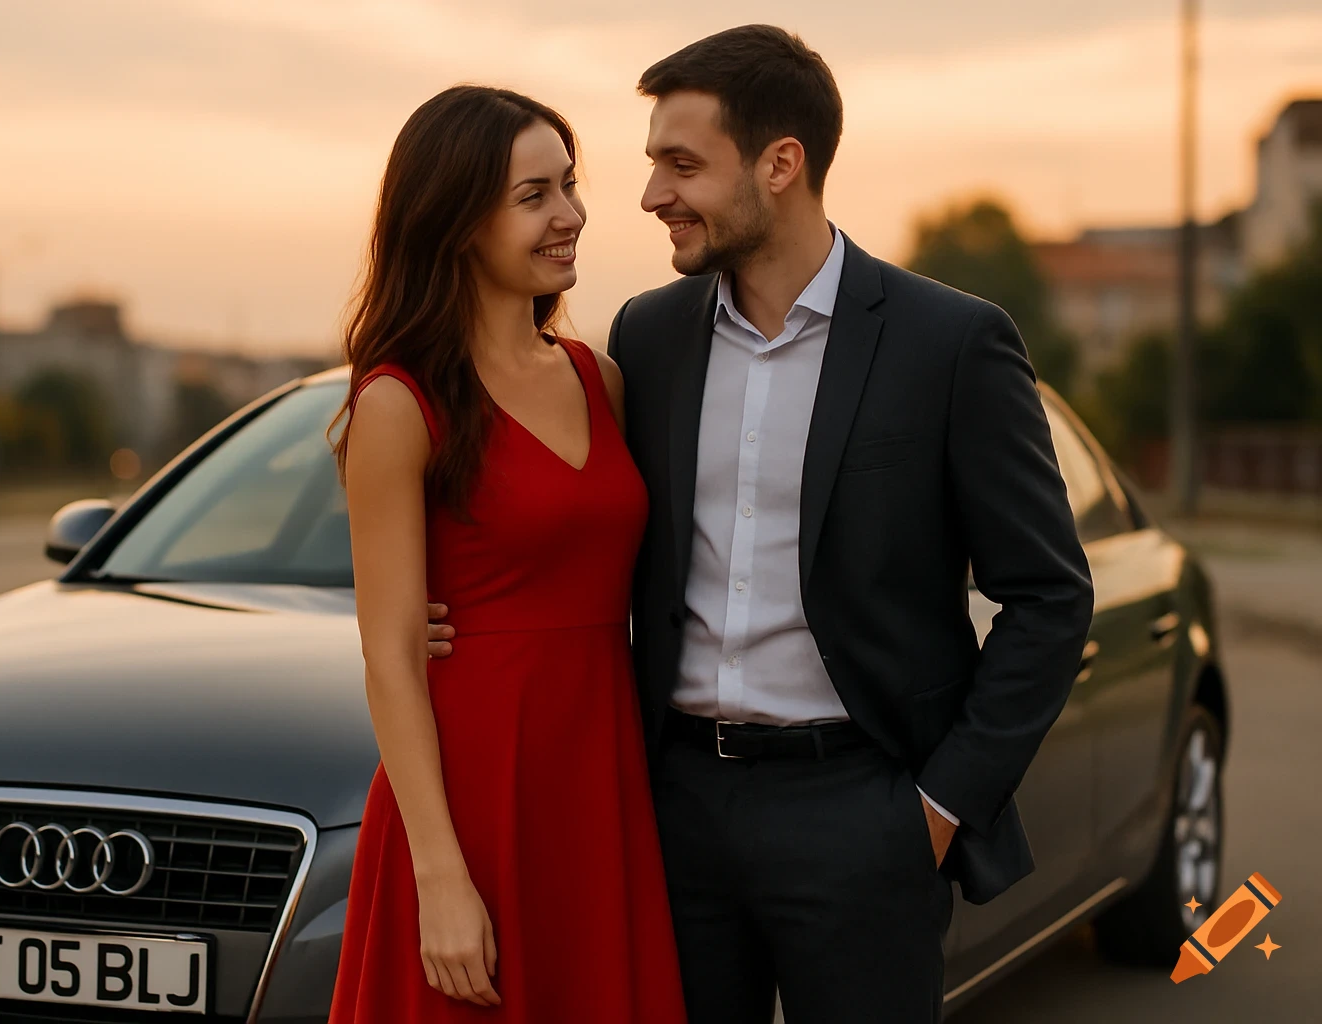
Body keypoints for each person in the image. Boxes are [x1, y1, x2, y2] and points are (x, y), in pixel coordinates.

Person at [427, 25, 1095, 1024]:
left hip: (863, 814)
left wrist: (937, 808)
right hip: (673, 813)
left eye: (682, 164)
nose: (652, 194)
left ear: (781, 165)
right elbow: (571, 519)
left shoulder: (948, 344)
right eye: (653, 162)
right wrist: (457, 616)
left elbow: (1050, 597)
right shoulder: (647, 340)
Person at [329, 85, 688, 1024]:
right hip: (472, 796)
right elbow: (393, 658)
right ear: (455, 221)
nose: (570, 215)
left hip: (599, 782)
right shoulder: (398, 405)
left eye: (569, 187)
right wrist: (440, 875)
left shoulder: (597, 377)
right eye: (534, 196)